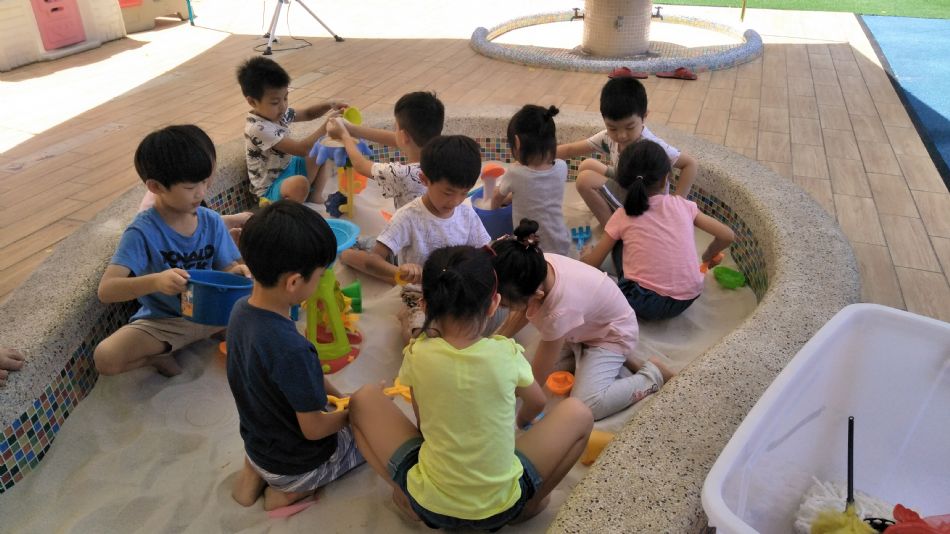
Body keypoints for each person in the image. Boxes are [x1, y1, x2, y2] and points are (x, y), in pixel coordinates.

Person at [348, 246, 593, 528]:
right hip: (503, 505)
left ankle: (405, 497)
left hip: (430, 504)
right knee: (579, 413)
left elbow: (423, 425)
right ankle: (530, 505)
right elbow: (537, 402)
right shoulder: (507, 354)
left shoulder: (417, 354)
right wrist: (521, 422)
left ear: (424, 305)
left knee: (363, 399)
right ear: (494, 304)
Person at [227, 200, 365, 511]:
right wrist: (353, 414)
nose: (321, 280)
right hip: (297, 466)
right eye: (319, 275)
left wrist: (341, 397)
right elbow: (314, 429)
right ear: (293, 282)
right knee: (367, 436)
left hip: (258, 445)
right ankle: (288, 493)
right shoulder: (291, 349)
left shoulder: (240, 312)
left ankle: (253, 475)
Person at [93, 125, 250, 377]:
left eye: (205, 181)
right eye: (190, 187)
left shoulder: (210, 221)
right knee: (106, 358)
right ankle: (158, 355)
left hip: (212, 313)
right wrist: (156, 281)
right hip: (166, 321)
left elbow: (228, 267)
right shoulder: (142, 231)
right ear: (156, 186)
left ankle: (193, 341)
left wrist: (237, 273)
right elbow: (107, 290)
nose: (201, 192)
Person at [493, 219, 676, 421]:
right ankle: (618, 359)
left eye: (505, 305)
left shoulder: (558, 312)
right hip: (583, 326)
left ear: (536, 295)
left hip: (611, 335)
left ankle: (652, 374)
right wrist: (495, 340)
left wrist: (521, 410)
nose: (500, 307)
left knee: (587, 404)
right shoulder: (531, 263)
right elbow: (522, 310)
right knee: (521, 368)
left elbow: (537, 380)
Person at [340, 135, 490, 340]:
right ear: (424, 180)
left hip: (455, 291)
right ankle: (346, 254)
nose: (455, 201)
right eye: (448, 193)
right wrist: (399, 271)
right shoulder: (409, 216)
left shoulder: (466, 214)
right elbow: (374, 259)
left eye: (464, 193)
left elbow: (484, 251)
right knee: (419, 334)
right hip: (418, 293)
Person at [581, 141, 735, 321]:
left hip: (641, 301)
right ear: (666, 178)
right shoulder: (683, 205)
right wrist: (708, 255)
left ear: (622, 182)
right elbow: (727, 235)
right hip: (688, 298)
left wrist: (586, 255)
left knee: (619, 242)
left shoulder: (623, 215)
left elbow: (593, 263)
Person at [557, 72, 698, 226]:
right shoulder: (607, 138)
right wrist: (540, 154)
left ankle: (615, 230)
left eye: (630, 127)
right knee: (587, 165)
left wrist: (676, 204)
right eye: (612, 128)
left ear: (644, 116)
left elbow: (690, 164)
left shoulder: (650, 146)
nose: (621, 135)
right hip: (627, 185)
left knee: (584, 180)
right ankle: (614, 214)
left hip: (644, 205)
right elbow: (570, 149)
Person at [237, 56, 344, 204]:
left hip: (289, 168)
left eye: (285, 98)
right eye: (275, 102)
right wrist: (327, 125)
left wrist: (329, 104)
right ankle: (293, 211)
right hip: (270, 190)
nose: (283, 106)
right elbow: (301, 150)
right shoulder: (258, 128)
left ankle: (315, 197)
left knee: (321, 148)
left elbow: (308, 114)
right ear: (252, 102)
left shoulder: (277, 113)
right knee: (299, 184)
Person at [326, 91, 444, 211]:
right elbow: (398, 140)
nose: (394, 132)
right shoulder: (445, 156)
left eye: (396, 127)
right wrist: (351, 129)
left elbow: (360, 165)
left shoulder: (402, 174)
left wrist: (344, 135)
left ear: (404, 136)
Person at [490, 104, 571, 256]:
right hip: (560, 244)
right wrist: (510, 198)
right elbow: (537, 192)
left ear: (517, 142)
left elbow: (496, 198)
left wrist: (493, 208)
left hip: (529, 249)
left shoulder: (515, 173)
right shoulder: (562, 167)